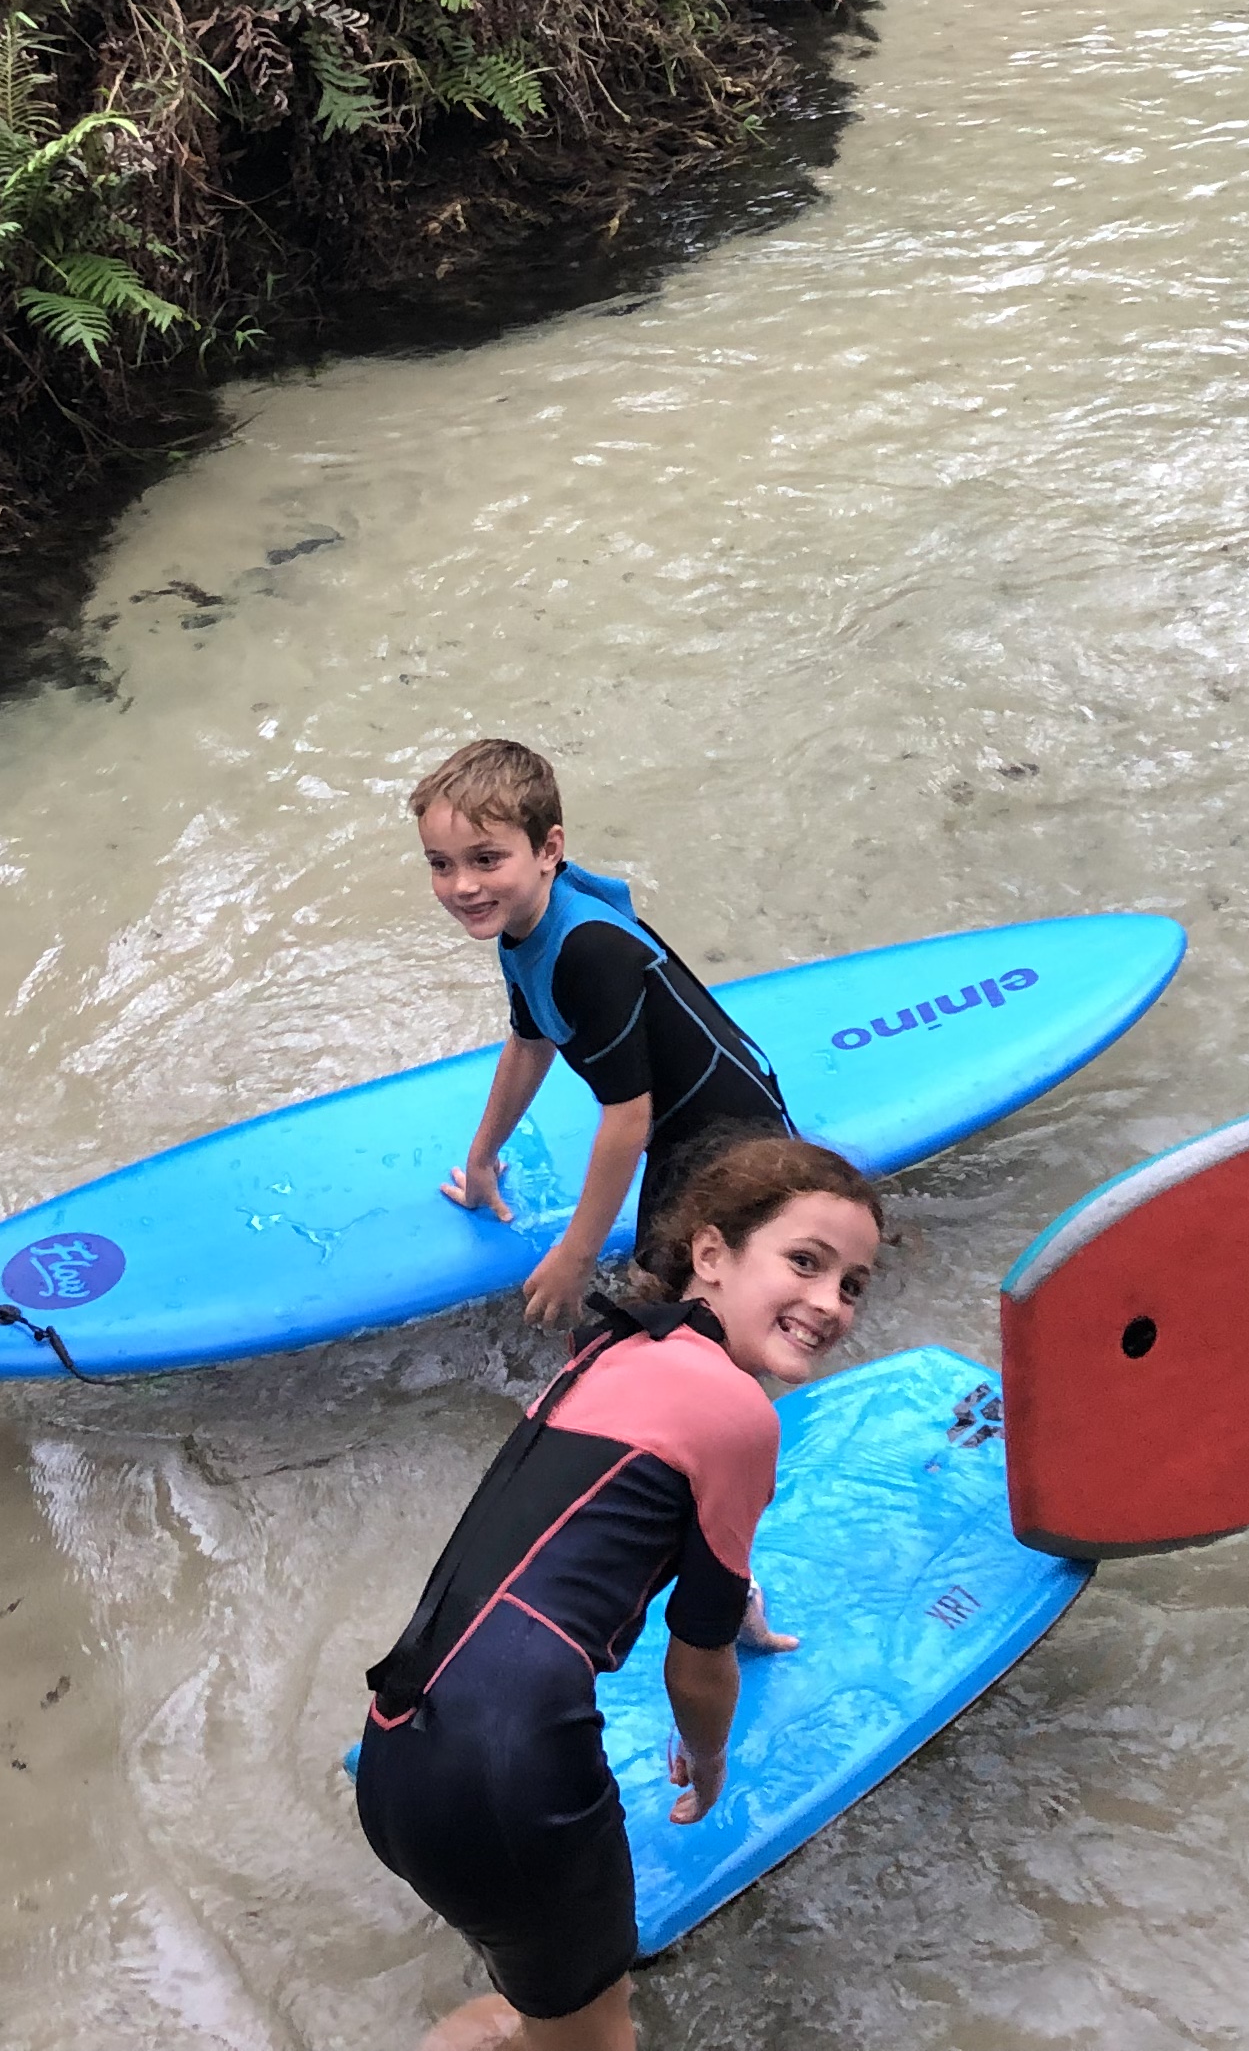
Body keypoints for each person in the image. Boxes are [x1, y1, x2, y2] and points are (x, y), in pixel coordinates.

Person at [357, 1137, 882, 2051]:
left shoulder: (616, 1349)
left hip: (401, 1754)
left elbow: (603, 1529)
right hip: (515, 1779)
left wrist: (738, 1604)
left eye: (853, 1284)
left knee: (553, 1999)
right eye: (805, 1261)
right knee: (598, 2035)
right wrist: (708, 1759)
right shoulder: (739, 1414)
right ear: (711, 1254)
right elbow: (695, 1663)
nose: (831, 1302)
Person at [417, 740, 796, 1328]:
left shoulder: (587, 950)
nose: (462, 885)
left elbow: (627, 1119)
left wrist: (577, 1257)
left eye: (486, 859)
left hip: (728, 1145)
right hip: (676, 1129)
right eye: (441, 864)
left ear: (549, 849)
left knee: (673, 1307)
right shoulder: (522, 922)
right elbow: (529, 1043)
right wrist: (483, 1156)